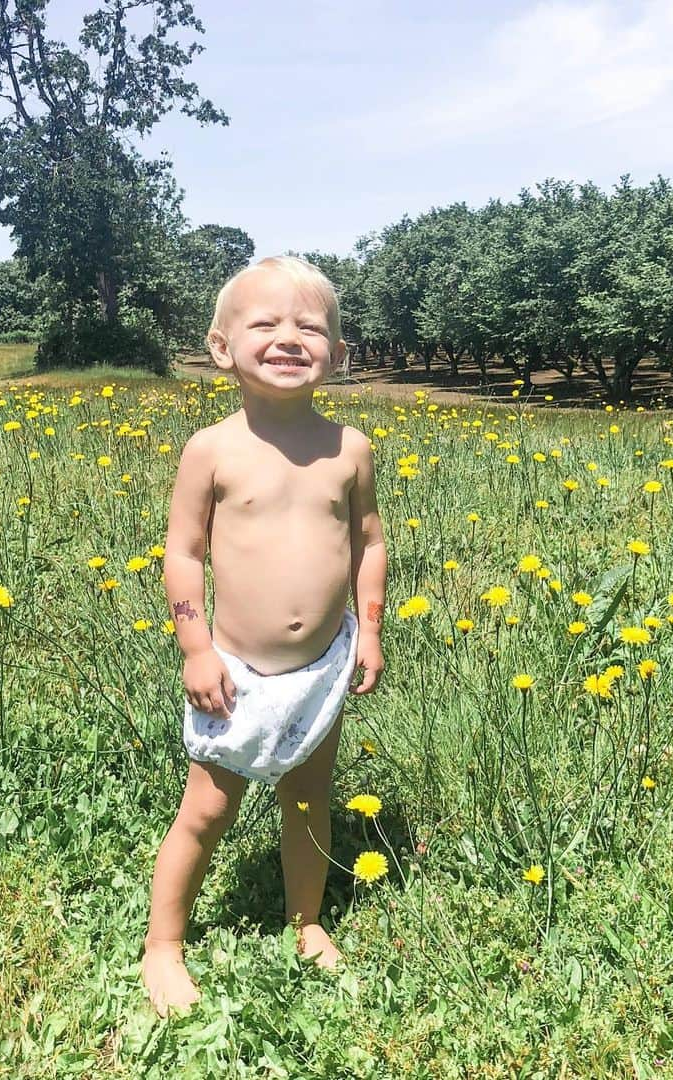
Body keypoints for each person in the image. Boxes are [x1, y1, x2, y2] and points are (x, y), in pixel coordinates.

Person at [141, 255, 388, 1015]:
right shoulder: (211, 449)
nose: (289, 337)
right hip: (235, 671)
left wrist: (371, 633)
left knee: (309, 804)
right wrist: (195, 649)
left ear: (338, 356)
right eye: (266, 324)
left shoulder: (349, 448)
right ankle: (164, 945)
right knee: (209, 810)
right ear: (222, 348)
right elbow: (181, 554)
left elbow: (371, 543)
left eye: (309, 327)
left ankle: (306, 923)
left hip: (323, 665)